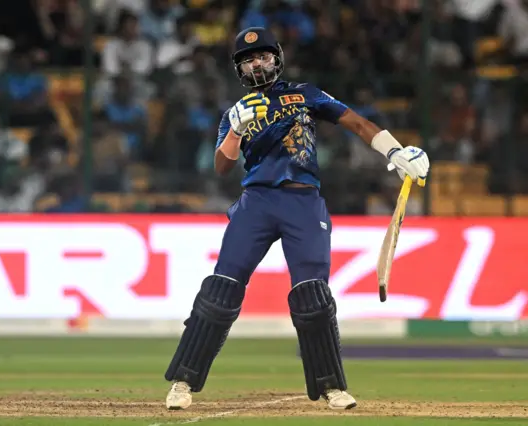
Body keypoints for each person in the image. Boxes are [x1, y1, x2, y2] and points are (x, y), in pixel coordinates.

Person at [163, 27, 430, 411]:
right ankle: (183, 382)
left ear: (277, 58)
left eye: (263, 56)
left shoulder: (305, 94)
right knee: (221, 290)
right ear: (240, 68)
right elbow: (222, 167)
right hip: (256, 202)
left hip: (303, 202)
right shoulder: (234, 113)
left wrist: (396, 152)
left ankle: (331, 386)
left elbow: (355, 122)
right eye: (248, 59)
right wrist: (235, 132)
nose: (257, 63)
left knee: (312, 295)